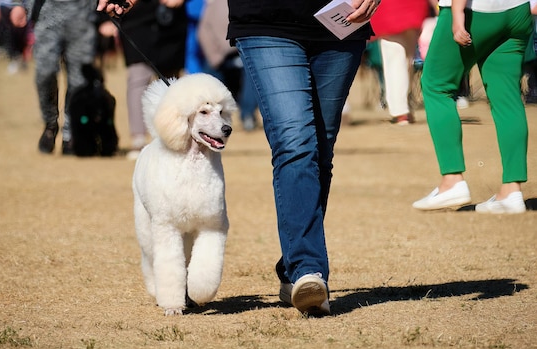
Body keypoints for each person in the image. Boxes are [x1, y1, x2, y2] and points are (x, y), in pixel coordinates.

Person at [100, 0, 380, 315]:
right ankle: (307, 269)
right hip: (265, 21)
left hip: (342, 20)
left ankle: (292, 270)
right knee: (295, 144)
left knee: (320, 151)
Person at [412, 0, 532, 214]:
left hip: (474, 10)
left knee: (435, 86)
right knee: (507, 97)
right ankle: (511, 191)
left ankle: (452, 180)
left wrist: (457, 14)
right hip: (517, 10)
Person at [113, 0, 187, 160]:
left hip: (171, 26)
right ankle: (138, 139)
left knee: (171, 84)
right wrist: (105, 18)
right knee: (137, 80)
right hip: (136, 23)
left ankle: (173, 138)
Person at [29, 0, 97, 155]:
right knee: (44, 73)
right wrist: (17, 5)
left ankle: (70, 133)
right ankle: (50, 123)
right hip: (47, 12)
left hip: (83, 13)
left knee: (79, 80)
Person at [197, 0, 258, 131]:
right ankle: (236, 115)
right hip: (226, 55)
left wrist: (214, 57)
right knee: (212, 79)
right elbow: (203, 33)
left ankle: (247, 115)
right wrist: (216, 58)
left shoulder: (212, 6)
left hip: (236, 53)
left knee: (251, 78)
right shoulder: (214, 7)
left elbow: (203, 33)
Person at [369, 0, 431, 125]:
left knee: (394, 62)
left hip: (389, 10)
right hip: (414, 8)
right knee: (407, 61)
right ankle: (405, 107)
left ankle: (401, 111)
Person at [0, 0, 32, 74]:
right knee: (8, 34)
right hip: (5, 5)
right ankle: (14, 58)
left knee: (21, 34)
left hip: (20, 6)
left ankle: (21, 58)